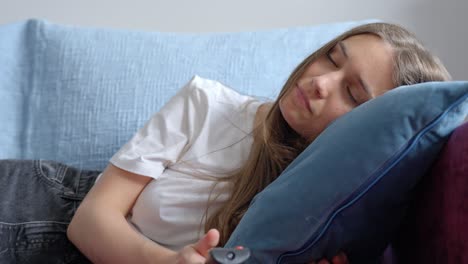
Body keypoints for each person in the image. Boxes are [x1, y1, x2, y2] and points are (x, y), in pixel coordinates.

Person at [0, 22, 450, 264]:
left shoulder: (323, 210)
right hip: (39, 205)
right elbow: (89, 221)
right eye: (331, 57)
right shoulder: (207, 104)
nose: (320, 82)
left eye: (352, 93)